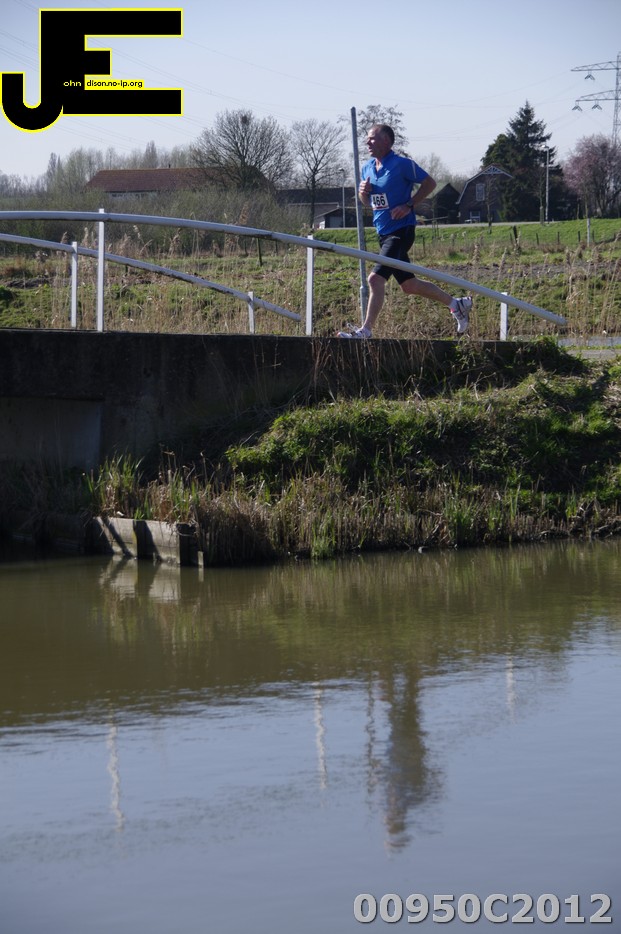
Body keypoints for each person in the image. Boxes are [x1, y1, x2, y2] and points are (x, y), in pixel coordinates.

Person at [338, 124, 471, 338]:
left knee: (375, 279)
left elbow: (430, 183)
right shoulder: (367, 168)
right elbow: (367, 202)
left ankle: (366, 330)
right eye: (367, 139)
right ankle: (457, 305)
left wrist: (409, 205)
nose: (367, 142)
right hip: (383, 233)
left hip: (401, 231)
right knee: (409, 285)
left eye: (372, 138)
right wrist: (363, 193)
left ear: (386, 141)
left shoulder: (402, 165)